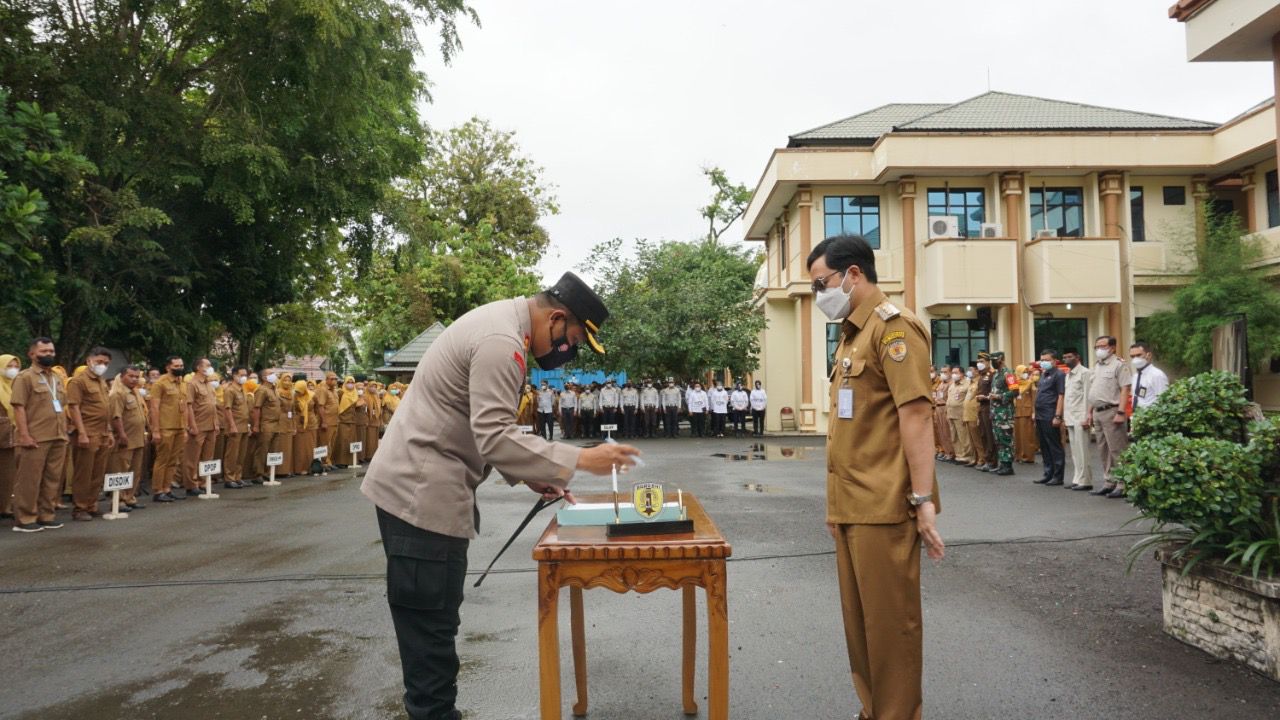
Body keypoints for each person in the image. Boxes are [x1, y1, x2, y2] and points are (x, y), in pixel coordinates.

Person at [361, 271, 639, 720]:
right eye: (571, 340)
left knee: (434, 629)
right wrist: (581, 459)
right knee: (431, 641)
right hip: (420, 497)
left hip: (427, 493)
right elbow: (493, 435)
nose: (567, 354)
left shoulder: (501, 328)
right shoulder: (500, 341)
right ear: (556, 319)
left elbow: (481, 429)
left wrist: (532, 475)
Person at [808, 234, 944, 720]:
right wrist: (835, 507)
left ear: (853, 275)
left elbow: (916, 415)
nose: (818, 293)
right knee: (860, 625)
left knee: (891, 627)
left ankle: (897, 714)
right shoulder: (852, 334)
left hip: (885, 504)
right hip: (852, 504)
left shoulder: (894, 329)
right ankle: (873, 709)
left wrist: (923, 499)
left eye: (821, 283)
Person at [10, 338, 69, 532]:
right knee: (29, 479)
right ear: (32, 354)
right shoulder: (25, 377)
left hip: (58, 436)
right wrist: (24, 435)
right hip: (36, 437)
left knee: (52, 479)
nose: (49, 354)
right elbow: (19, 408)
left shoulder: (56, 378)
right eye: (44, 351)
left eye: (51, 351)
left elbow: (62, 405)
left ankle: (46, 515)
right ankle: (26, 518)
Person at [66, 348, 113, 520]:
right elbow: (74, 407)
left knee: (97, 473)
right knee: (83, 474)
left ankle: (91, 505)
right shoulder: (78, 382)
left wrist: (109, 432)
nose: (102, 366)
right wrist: (82, 433)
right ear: (89, 361)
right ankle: (79, 508)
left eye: (106, 363)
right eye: (99, 362)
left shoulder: (101, 381)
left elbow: (106, 408)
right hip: (87, 432)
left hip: (102, 433)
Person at [1087, 336, 1133, 498]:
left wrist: (1121, 412)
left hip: (1112, 411)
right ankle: (1109, 481)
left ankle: (1123, 483)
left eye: (1102, 346)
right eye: (1096, 346)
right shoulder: (1097, 366)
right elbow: (1094, 390)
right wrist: (1089, 412)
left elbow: (1125, 389)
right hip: (1097, 411)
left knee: (1117, 449)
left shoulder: (1119, 365)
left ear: (1112, 348)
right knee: (1103, 449)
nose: (1099, 349)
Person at [149, 355, 189, 502]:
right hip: (165, 427)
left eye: (181, 366)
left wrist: (185, 429)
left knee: (173, 460)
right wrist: (156, 430)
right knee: (162, 460)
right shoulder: (160, 383)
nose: (180, 368)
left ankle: (167, 488)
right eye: (177, 366)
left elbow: (183, 407)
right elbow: (154, 407)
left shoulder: (182, 383)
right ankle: (158, 490)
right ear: (168, 367)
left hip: (179, 427)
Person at [107, 366, 146, 510]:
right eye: (131, 376)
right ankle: (119, 500)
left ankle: (130, 497)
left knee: (135, 470)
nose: (134, 379)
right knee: (121, 469)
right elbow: (116, 417)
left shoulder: (135, 393)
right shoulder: (118, 393)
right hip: (125, 438)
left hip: (138, 437)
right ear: (122, 376)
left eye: (137, 376)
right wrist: (121, 434)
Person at [181, 358, 220, 495]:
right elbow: (188, 406)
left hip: (210, 425)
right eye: (208, 365)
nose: (210, 367)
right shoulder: (192, 384)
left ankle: (204, 482)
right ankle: (191, 484)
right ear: (198, 367)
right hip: (198, 424)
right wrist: (191, 425)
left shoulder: (209, 384)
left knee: (207, 457)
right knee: (193, 457)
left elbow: (212, 405)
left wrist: (216, 423)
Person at [1059, 349, 1094, 492]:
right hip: (1070, 416)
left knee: (1083, 450)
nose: (1067, 359)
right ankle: (1077, 478)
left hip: (1081, 416)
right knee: (1074, 451)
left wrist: (1088, 416)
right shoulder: (1068, 375)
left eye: (1069, 356)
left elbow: (1088, 396)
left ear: (1077, 357)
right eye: (1065, 357)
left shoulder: (1085, 373)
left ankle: (1086, 480)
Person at [1033, 349, 1067, 487]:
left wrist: (1058, 415)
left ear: (1054, 361)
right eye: (1042, 360)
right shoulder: (1044, 374)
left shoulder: (1058, 375)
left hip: (1050, 414)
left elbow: (1061, 395)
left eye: (1046, 360)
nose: (1044, 362)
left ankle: (1058, 476)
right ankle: (1048, 473)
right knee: (1044, 446)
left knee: (1054, 445)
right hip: (1040, 414)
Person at [250, 370, 283, 481]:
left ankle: (268, 472)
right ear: (264, 377)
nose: (274, 375)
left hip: (276, 424)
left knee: (272, 450)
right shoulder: (262, 390)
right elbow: (256, 408)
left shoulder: (273, 389)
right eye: (271, 373)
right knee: (262, 450)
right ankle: (258, 473)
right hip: (266, 424)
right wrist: (256, 425)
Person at [988, 352, 1017, 476]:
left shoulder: (1008, 373)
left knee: (1006, 439)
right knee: (998, 439)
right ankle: (1003, 464)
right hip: (996, 413)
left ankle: (1008, 465)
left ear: (1000, 359)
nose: (992, 363)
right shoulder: (996, 375)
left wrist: (999, 396)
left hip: (1005, 413)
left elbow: (1015, 391)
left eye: (994, 360)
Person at [222, 367, 250, 488]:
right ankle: (229, 478)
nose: (244, 377)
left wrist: (248, 425)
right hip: (235, 426)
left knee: (241, 454)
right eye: (241, 374)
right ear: (234, 375)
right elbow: (227, 409)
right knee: (232, 454)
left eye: (245, 375)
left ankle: (238, 476)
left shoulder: (242, 390)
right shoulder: (230, 390)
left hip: (243, 426)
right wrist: (232, 425)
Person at [0, 353, 20, 519]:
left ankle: (5, 506)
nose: (12, 370)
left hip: (11, 436)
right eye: (9, 366)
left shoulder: (15, 386)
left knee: (8, 473)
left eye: (15, 366)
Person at [1129, 342, 1168, 413]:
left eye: (1138, 355)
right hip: (1138, 417)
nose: (1135, 359)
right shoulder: (1136, 376)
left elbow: (1164, 401)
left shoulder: (1157, 375)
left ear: (1149, 355)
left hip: (1152, 418)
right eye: (1132, 356)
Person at [973, 351, 997, 472]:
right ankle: (987, 459)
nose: (979, 364)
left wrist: (986, 397)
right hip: (981, 408)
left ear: (988, 362)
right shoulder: (981, 376)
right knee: (983, 434)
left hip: (989, 407)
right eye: (978, 362)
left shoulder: (993, 374)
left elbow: (995, 392)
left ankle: (993, 461)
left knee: (989, 434)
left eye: (981, 361)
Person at [946, 366, 974, 466]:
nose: (953, 375)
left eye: (956, 373)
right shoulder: (952, 385)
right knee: (954, 436)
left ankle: (967, 456)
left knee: (964, 436)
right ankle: (959, 456)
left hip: (960, 414)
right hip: (951, 414)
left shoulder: (967, 384)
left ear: (962, 374)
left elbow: (968, 400)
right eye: (952, 372)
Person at [1012, 364, 1039, 464]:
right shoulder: (1014, 384)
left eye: (1026, 372)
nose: (1025, 374)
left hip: (1027, 412)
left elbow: (1034, 399)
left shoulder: (1030, 383)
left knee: (1027, 436)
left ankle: (1028, 456)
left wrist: (1033, 412)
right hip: (1016, 412)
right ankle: (1018, 455)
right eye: (1023, 372)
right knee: (1017, 436)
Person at [334, 377, 362, 468]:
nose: (350, 384)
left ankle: (350, 461)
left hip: (352, 420)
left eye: (352, 382)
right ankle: (340, 461)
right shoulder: (340, 393)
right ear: (345, 383)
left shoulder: (355, 394)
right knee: (342, 441)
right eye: (348, 382)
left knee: (351, 441)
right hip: (342, 420)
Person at [316, 371, 340, 469]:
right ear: (326, 380)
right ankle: (323, 463)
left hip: (334, 421)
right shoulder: (323, 390)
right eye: (332, 379)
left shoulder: (334, 391)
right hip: (327, 422)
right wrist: (324, 421)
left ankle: (328, 461)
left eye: (335, 379)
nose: (334, 381)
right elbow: (321, 407)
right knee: (324, 443)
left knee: (331, 443)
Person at [963, 366, 984, 469]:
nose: (969, 372)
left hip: (974, 414)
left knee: (977, 439)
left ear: (976, 371)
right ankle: (974, 458)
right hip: (967, 414)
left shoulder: (979, 382)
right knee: (971, 439)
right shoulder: (970, 383)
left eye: (971, 370)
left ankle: (981, 458)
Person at [931, 366, 953, 462]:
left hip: (945, 407)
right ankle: (944, 451)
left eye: (945, 371)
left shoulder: (951, 383)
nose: (943, 373)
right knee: (940, 432)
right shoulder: (941, 384)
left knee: (947, 431)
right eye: (942, 371)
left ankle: (950, 452)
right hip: (937, 407)